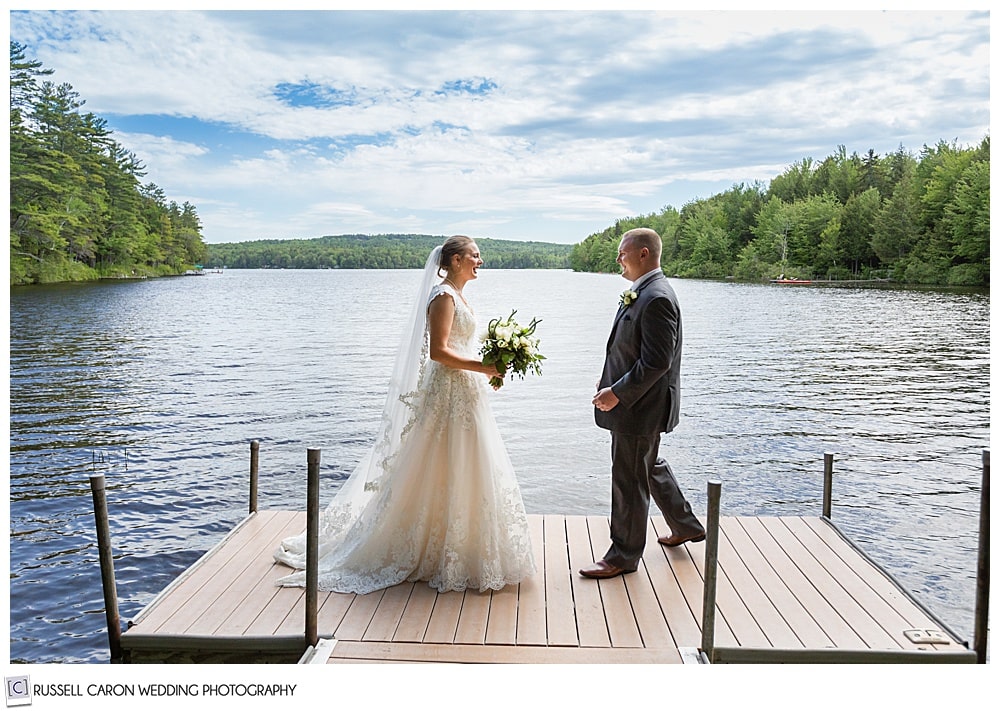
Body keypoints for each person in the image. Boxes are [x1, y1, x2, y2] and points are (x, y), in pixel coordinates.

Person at [274, 236, 536, 594]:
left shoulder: (458, 296)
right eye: (475, 255)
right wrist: (484, 366)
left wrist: (488, 370)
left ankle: (463, 544)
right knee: (441, 460)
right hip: (447, 390)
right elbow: (440, 353)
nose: (481, 261)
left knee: (468, 461)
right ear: (456, 260)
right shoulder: (442, 297)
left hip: (464, 391)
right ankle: (425, 546)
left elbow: (461, 346)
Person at [580, 227, 705, 579]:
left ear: (644, 254)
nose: (618, 258)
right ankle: (686, 525)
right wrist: (609, 382)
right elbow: (632, 351)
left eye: (623, 252)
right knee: (646, 465)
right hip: (636, 403)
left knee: (628, 477)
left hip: (640, 408)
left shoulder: (657, 298)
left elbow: (656, 362)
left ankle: (623, 555)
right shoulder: (645, 292)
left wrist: (618, 392)